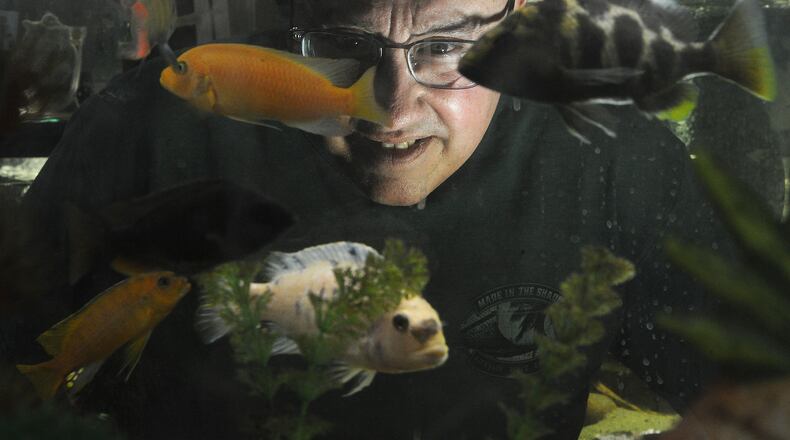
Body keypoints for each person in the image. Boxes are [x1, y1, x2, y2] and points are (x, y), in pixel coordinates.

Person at [19, 0, 731, 438]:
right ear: (294, 17)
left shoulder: (612, 155)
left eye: (450, 47)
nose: (392, 109)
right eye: (346, 48)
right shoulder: (155, 120)